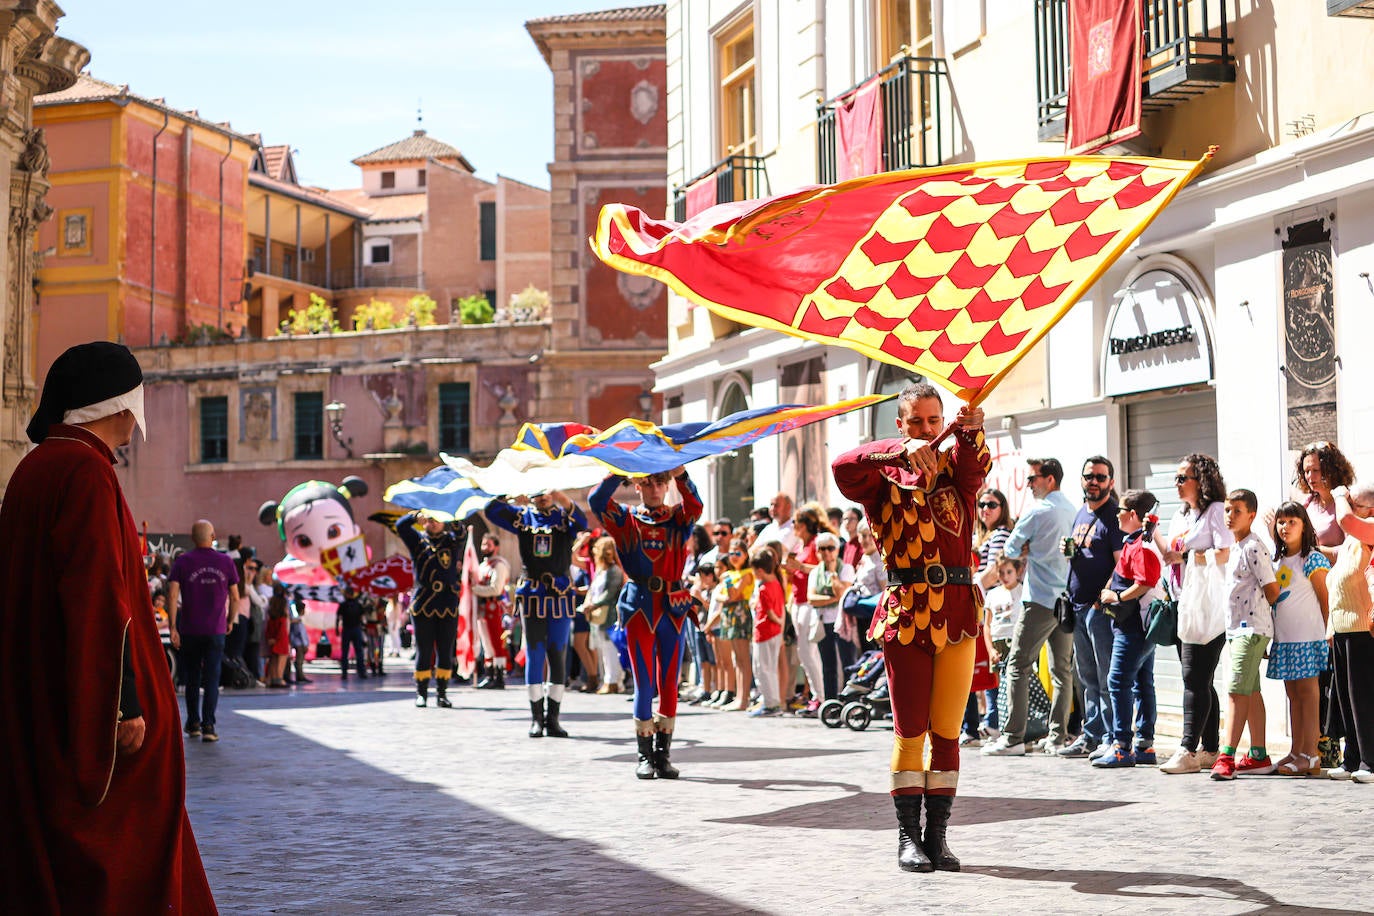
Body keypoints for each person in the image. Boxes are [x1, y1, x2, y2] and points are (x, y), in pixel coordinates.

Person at [0, 340, 215, 911]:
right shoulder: (84, 471)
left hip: (40, 693)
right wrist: (122, 704)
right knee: (126, 839)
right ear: (119, 405)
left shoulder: (33, 469)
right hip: (83, 704)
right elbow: (96, 596)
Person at [832, 382, 989, 874]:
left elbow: (975, 466)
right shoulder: (881, 479)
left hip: (959, 614)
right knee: (910, 732)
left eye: (933, 421)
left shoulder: (957, 472)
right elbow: (843, 466)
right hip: (906, 615)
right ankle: (907, 836)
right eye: (916, 421)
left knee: (948, 733)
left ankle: (937, 837)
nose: (926, 429)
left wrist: (970, 428)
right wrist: (898, 450)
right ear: (900, 424)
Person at [590, 466, 703, 780]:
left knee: (669, 683)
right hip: (640, 606)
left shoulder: (679, 519)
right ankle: (644, 755)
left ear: (667, 487)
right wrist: (619, 468)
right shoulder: (626, 520)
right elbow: (597, 500)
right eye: (648, 484)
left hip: (672, 606)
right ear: (638, 486)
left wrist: (681, 474)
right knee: (644, 683)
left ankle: (663, 756)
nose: (655, 489)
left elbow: (696, 505)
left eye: (660, 483)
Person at [983, 458, 1076, 756]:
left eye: (1033, 478)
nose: (1029, 485)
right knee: (1061, 671)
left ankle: (1013, 737)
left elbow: (1010, 549)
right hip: (1065, 600)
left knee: (1017, 666)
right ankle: (1057, 736)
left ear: (1050, 479)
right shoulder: (1072, 510)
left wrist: (1027, 549)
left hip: (1039, 599)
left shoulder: (1037, 511)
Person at [485, 490, 588, 738]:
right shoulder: (522, 517)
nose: (542, 497)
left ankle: (553, 719)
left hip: (559, 594)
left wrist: (562, 498)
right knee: (534, 653)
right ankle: (536, 719)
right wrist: (510, 496)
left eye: (546, 492)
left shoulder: (563, 517)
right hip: (532, 595)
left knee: (557, 654)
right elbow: (491, 510)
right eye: (537, 493)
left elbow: (582, 523)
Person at [1158, 453, 1233, 774]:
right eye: (1175, 478)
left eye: (1182, 478)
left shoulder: (1216, 511)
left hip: (1208, 605)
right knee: (1202, 678)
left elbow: (1226, 552)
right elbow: (1172, 555)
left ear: (1200, 480)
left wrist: (1190, 557)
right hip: (1183, 602)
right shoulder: (1182, 514)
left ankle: (1187, 749)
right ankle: (1210, 748)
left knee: (1194, 678)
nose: (1176, 484)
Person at [1058, 457, 1126, 759]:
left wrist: (1103, 596)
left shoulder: (1113, 516)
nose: (1094, 482)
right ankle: (1091, 735)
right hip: (1078, 606)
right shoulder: (1081, 513)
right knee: (1085, 677)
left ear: (1111, 482)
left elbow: (1121, 563)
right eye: (1089, 476)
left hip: (1100, 610)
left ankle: (1112, 738)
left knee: (1106, 676)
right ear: (1082, 480)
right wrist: (1067, 550)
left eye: (1100, 477)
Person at [1210, 489, 1280, 780]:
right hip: (1238, 631)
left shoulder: (1253, 546)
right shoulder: (1237, 546)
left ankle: (1226, 758)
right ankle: (1259, 756)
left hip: (1250, 631)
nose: (1230, 516)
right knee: (1250, 691)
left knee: (1236, 691)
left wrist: (1266, 629)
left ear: (1251, 515)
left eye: (1237, 511)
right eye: (1227, 510)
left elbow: (1272, 590)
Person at [1093, 490, 1164, 768]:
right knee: (1142, 682)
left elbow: (1145, 582)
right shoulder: (1137, 540)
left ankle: (1122, 746)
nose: (1117, 515)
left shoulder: (1141, 544)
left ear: (1133, 514)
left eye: (1120, 510)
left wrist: (1117, 597)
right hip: (1138, 624)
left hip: (1134, 626)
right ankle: (1144, 745)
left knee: (1118, 681)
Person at [1267, 501, 1331, 776]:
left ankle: (1311, 755)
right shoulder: (1277, 561)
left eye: (1292, 521)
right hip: (1285, 640)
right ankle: (1296, 751)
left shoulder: (1313, 558)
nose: (1285, 527)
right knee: (1293, 695)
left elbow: (1326, 599)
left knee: (1308, 694)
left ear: (1304, 526)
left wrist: (1328, 632)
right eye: (1281, 521)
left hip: (1308, 638)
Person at [169, 519, 241, 743]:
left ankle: (193, 723)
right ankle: (209, 725)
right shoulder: (226, 562)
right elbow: (235, 596)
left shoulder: (182, 562)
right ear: (213, 537)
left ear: (192, 538)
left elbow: (172, 594)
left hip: (190, 629)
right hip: (215, 629)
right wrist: (230, 620)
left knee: (192, 676)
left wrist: (172, 626)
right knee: (212, 677)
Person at [1326, 481, 1374, 782]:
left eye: (1355, 503)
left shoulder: (1369, 529)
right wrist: (1330, 627)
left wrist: (1339, 493)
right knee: (1345, 699)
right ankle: (1352, 758)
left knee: (1363, 698)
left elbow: (1344, 518)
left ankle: (1370, 761)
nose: (1348, 506)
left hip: (1362, 629)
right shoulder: (1350, 542)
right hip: (1342, 628)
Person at [396, 510, 464, 708]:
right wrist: (414, 516)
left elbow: (461, 535)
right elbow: (401, 526)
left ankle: (442, 693)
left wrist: (453, 515)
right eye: (430, 519)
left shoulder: (451, 541)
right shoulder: (417, 541)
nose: (434, 523)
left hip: (447, 603)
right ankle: (422, 693)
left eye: (438, 519)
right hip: (423, 603)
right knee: (423, 650)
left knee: (445, 650)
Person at [807, 530, 855, 706]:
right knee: (828, 665)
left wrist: (834, 574)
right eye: (822, 548)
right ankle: (831, 702)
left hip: (842, 622)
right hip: (823, 622)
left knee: (847, 662)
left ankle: (850, 699)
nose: (826, 552)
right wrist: (833, 599)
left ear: (837, 550)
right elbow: (811, 598)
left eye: (830, 548)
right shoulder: (815, 573)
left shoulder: (846, 568)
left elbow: (842, 592)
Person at [711, 538, 754, 710]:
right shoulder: (730, 574)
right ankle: (738, 696)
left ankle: (744, 698)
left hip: (740, 614)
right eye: (731, 553)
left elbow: (733, 595)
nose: (734, 556)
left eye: (738, 553)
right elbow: (719, 596)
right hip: (729, 615)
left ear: (745, 555)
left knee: (743, 658)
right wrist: (727, 593)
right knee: (737, 659)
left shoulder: (747, 573)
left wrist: (727, 583)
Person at [585, 535, 626, 694]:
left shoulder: (614, 571)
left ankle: (614, 681)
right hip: (599, 615)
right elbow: (593, 589)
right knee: (603, 649)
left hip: (610, 615)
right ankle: (608, 680)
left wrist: (594, 604)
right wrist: (589, 602)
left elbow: (610, 593)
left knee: (610, 649)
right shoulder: (601, 571)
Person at [749, 549, 786, 718]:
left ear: (760, 570)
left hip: (764, 631)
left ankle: (770, 704)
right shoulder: (777, 583)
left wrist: (776, 621)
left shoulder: (763, 588)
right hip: (775, 632)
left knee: (761, 669)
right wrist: (780, 625)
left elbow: (769, 612)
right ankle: (773, 702)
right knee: (770, 668)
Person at [472, 533, 511, 689]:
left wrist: (475, 589)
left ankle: (499, 677)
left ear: (496, 547)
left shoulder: (499, 565)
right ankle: (489, 675)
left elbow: (496, 589)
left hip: (494, 609)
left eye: (488, 545)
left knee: (497, 642)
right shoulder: (483, 566)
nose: (485, 548)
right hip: (483, 610)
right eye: (483, 544)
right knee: (486, 644)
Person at [336, 585, 369, 679]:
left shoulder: (345, 605)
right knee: (357, 651)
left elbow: (338, 618)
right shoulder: (355, 604)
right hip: (353, 629)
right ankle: (359, 672)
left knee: (348, 652)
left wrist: (337, 629)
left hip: (350, 629)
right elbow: (362, 618)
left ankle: (347, 672)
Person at [264, 590, 291, 688]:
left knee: (273, 661)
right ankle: (279, 678)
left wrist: (270, 639)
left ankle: (271, 678)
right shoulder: (283, 619)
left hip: (272, 642)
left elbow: (268, 630)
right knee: (281, 661)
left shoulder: (271, 619)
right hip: (282, 642)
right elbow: (283, 632)